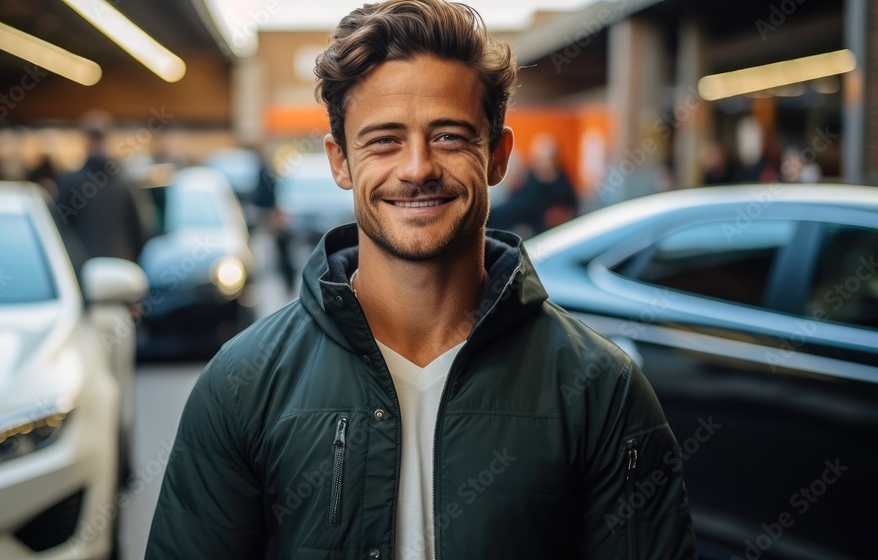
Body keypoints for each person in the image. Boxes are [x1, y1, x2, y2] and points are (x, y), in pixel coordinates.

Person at [146, 1, 696, 559]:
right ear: (340, 161)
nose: (417, 168)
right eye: (384, 139)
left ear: (498, 156)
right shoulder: (242, 387)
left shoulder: (601, 389)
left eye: (450, 136)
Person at [54, 110, 152, 263]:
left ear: (83, 139)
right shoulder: (126, 182)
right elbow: (142, 231)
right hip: (123, 267)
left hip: (82, 270)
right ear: (110, 138)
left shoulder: (70, 181)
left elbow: (58, 230)